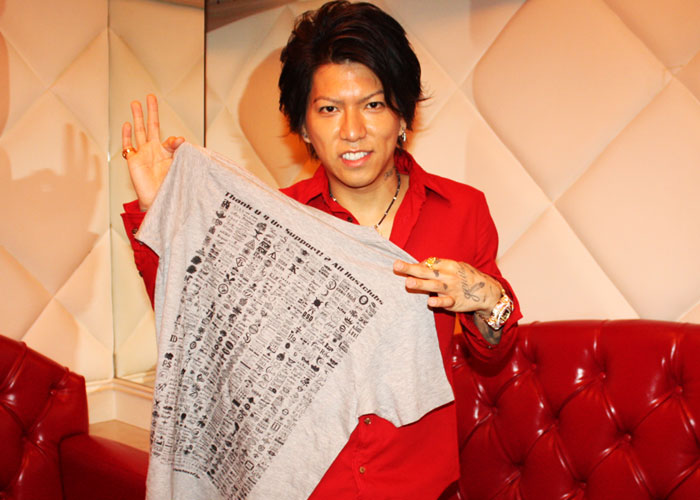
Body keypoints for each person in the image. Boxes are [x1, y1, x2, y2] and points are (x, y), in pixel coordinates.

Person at [121, 2, 521, 498]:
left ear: (403, 115)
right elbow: (194, 315)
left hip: (418, 487)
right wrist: (157, 208)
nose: (352, 130)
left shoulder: (461, 209)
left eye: (373, 105)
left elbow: (493, 351)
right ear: (305, 127)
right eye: (329, 109)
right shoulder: (275, 222)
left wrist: (484, 296)